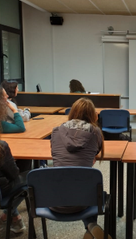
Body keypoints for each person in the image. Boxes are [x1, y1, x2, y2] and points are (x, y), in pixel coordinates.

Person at [50, 97, 106, 239]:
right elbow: (94, 153)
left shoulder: (56, 132)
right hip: (84, 202)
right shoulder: (95, 133)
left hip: (53, 199)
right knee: (90, 185)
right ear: (92, 115)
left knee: (73, 181)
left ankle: (90, 227)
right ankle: (91, 225)